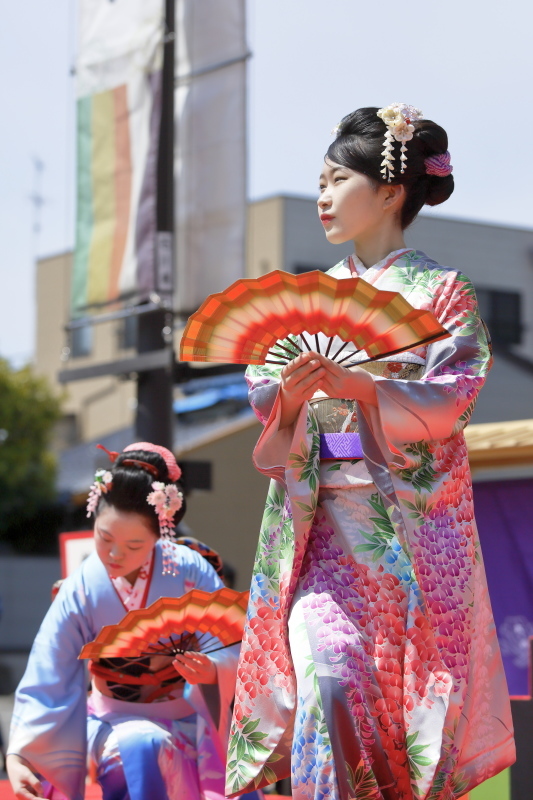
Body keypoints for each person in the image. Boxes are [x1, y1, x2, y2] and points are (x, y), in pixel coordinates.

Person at [225, 105, 515, 800]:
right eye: (317, 182)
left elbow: (449, 402)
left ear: (388, 192)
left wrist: (358, 383)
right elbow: (268, 408)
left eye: (334, 180)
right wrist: (292, 398)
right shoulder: (308, 299)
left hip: (409, 546)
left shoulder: (443, 294)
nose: (321, 196)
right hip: (323, 534)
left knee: (392, 724)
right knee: (328, 681)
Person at [7, 442, 241, 800]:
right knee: (142, 744)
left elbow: (233, 644)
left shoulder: (189, 569)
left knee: (158, 744)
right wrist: (20, 752)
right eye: (104, 538)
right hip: (109, 718)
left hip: (189, 718)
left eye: (134, 545)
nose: (115, 554)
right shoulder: (83, 585)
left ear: (161, 535)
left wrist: (212, 669)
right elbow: (48, 669)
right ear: (94, 517)